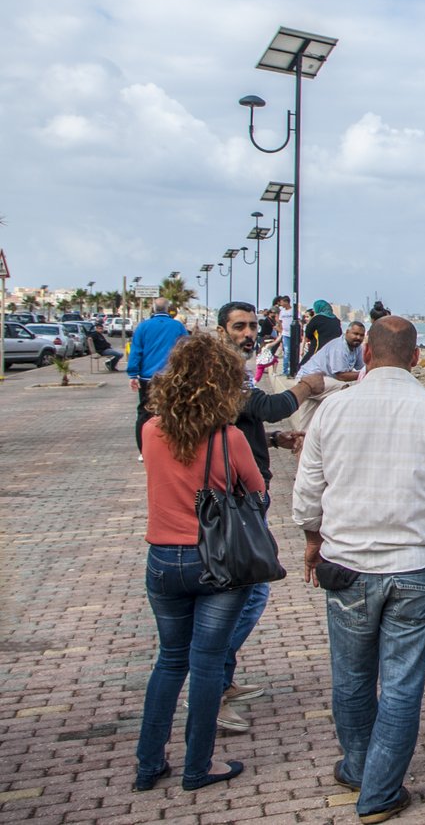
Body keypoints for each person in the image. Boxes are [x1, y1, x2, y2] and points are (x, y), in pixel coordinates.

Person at [291, 316, 425, 823]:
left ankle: (357, 767)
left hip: (347, 562)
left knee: (350, 677)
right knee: (402, 684)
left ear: (365, 354)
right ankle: (380, 791)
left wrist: (312, 541)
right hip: (415, 566)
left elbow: (308, 494)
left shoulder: (332, 411)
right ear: (417, 358)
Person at [132, 333, 258, 794]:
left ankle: (148, 765)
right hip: (217, 562)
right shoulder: (230, 439)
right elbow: (257, 491)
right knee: (206, 664)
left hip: (163, 558)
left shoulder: (151, 430)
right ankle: (197, 766)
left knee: (169, 661)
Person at [212, 301, 327, 734]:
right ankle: (214, 684)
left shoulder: (237, 371)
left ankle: (222, 678)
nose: (248, 333)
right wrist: (308, 386)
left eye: (251, 326)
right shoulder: (224, 374)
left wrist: (274, 441)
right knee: (248, 593)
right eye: (239, 327)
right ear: (221, 330)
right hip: (236, 496)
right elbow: (270, 404)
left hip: (246, 489)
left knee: (247, 591)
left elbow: (246, 421)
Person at [127, 298, 189, 453]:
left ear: (153, 309)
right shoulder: (177, 326)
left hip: (148, 378)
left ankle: (144, 450)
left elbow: (136, 351)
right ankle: (174, 446)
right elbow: (187, 350)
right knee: (175, 411)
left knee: (144, 412)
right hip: (173, 377)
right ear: (169, 310)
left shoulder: (143, 327)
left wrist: (133, 374)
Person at [297, 320, 366, 382]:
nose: (358, 338)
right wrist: (365, 373)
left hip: (325, 379)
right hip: (307, 379)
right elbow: (341, 376)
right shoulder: (339, 347)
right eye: (355, 334)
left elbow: (361, 367)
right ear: (347, 332)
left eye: (361, 335)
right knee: (346, 388)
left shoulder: (357, 346)